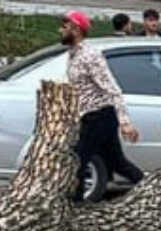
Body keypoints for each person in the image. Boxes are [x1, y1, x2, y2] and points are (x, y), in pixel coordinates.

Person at [61, 10, 142, 201]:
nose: (60, 30)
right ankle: (152, 190)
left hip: (99, 117)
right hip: (91, 116)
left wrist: (125, 122)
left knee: (78, 162)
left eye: (64, 27)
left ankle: (77, 209)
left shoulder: (91, 56)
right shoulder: (73, 54)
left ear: (76, 29)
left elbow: (113, 89)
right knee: (117, 162)